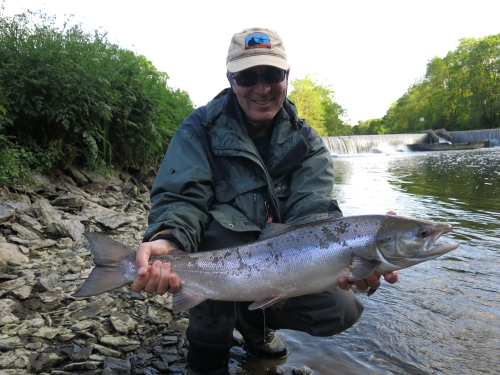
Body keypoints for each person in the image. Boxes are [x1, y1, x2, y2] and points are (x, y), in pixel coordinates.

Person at [131, 27, 398, 375]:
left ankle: (253, 325)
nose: (262, 88)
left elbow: (312, 219)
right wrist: (168, 238)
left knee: (342, 306)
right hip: (216, 264)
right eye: (247, 77)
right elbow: (182, 196)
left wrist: (355, 256)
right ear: (230, 79)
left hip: (277, 263)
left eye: (272, 75)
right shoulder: (199, 129)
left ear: (286, 76)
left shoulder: (306, 143)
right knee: (217, 236)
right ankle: (207, 350)